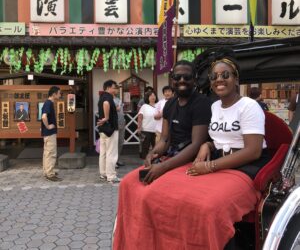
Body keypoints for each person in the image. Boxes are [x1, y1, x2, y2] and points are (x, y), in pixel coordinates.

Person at [113, 57, 269, 250]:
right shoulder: (214, 107)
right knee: (145, 189)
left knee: (206, 207)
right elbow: (210, 138)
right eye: (214, 76)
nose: (219, 79)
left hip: (243, 167)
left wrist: (208, 162)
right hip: (215, 161)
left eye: (225, 75)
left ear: (236, 79)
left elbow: (252, 150)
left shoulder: (248, 106)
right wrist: (208, 146)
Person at [113, 60, 212, 249]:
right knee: (127, 183)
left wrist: (163, 167)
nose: (182, 80)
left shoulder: (201, 104)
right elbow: (165, 139)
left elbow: (196, 144)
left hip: (190, 159)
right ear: (171, 80)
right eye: (177, 77)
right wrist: (152, 153)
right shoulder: (169, 104)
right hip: (171, 155)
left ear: (195, 80)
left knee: (155, 192)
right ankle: (133, 237)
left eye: (187, 77)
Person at [97, 80, 120, 183]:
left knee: (103, 153)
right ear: (108, 88)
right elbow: (106, 104)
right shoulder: (107, 97)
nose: (115, 90)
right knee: (111, 153)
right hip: (110, 129)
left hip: (103, 129)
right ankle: (111, 175)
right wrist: (106, 117)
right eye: (114, 87)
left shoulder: (102, 97)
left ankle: (103, 173)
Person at [41, 86, 62, 182]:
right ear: (54, 94)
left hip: (47, 133)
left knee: (47, 153)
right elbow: (44, 117)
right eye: (59, 93)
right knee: (51, 153)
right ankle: (50, 173)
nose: (60, 95)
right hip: (50, 133)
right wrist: (48, 126)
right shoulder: (48, 103)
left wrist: (45, 127)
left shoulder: (48, 103)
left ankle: (47, 171)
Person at [137, 91, 158, 159]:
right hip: (146, 130)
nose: (153, 97)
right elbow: (140, 117)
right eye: (151, 96)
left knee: (156, 147)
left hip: (156, 131)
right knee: (145, 147)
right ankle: (144, 163)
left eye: (154, 95)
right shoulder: (144, 106)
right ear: (147, 98)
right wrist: (139, 128)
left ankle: (154, 162)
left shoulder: (158, 105)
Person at [113, 89, 126, 167]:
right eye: (114, 88)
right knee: (113, 143)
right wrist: (115, 109)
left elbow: (121, 111)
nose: (116, 90)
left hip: (121, 122)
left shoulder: (118, 100)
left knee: (120, 142)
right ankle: (113, 162)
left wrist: (124, 120)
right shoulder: (107, 100)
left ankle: (117, 159)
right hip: (114, 124)